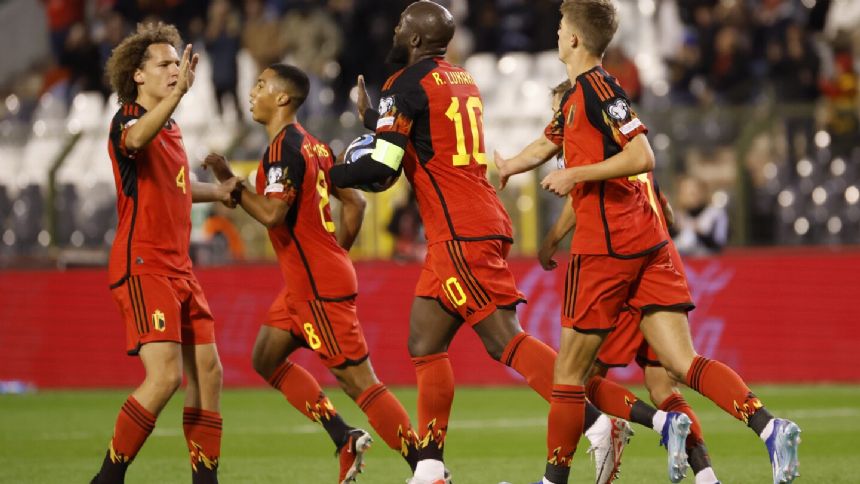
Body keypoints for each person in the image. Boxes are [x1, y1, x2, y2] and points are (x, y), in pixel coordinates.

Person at [494, 2, 801, 484]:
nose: (555, 34)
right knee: (680, 365)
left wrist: (577, 175)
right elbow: (546, 143)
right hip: (649, 245)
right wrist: (509, 165)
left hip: (607, 248)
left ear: (574, 39)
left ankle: (554, 481)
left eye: (559, 28)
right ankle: (769, 427)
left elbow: (643, 154)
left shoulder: (598, 88)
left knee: (569, 377)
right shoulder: (577, 98)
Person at [329, 3, 627, 483]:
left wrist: (327, 169)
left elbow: (382, 169)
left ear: (416, 38)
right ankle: (429, 466)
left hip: (460, 231)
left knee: (504, 340)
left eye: (403, 23)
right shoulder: (460, 79)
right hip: (469, 221)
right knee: (424, 342)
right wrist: (377, 120)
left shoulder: (404, 85)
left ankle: (595, 422)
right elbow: (425, 137)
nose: (396, 28)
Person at [203, 63, 420, 484]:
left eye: (262, 85)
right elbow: (355, 203)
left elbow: (271, 214)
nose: (253, 91)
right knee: (265, 358)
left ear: (282, 98)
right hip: (306, 284)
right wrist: (336, 253)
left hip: (317, 286)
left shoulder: (284, 150)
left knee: (360, 383)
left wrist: (233, 182)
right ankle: (343, 436)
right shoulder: (314, 147)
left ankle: (426, 466)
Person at [503, 78, 717, 483]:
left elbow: (580, 199)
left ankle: (607, 446)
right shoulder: (624, 151)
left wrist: (550, 238)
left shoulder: (590, 152)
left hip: (619, 266)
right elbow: (668, 217)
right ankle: (706, 474)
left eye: (559, 112)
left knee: (574, 378)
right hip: (658, 264)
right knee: (663, 381)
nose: (557, 121)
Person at [92, 23, 241, 484]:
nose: (174, 70)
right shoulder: (126, 119)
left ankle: (205, 479)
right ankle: (108, 478)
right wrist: (178, 97)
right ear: (137, 75)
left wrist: (217, 193)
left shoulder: (171, 128)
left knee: (209, 371)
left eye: (177, 63)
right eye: (164, 64)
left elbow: (175, 189)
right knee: (164, 378)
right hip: (144, 264)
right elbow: (135, 142)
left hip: (180, 268)